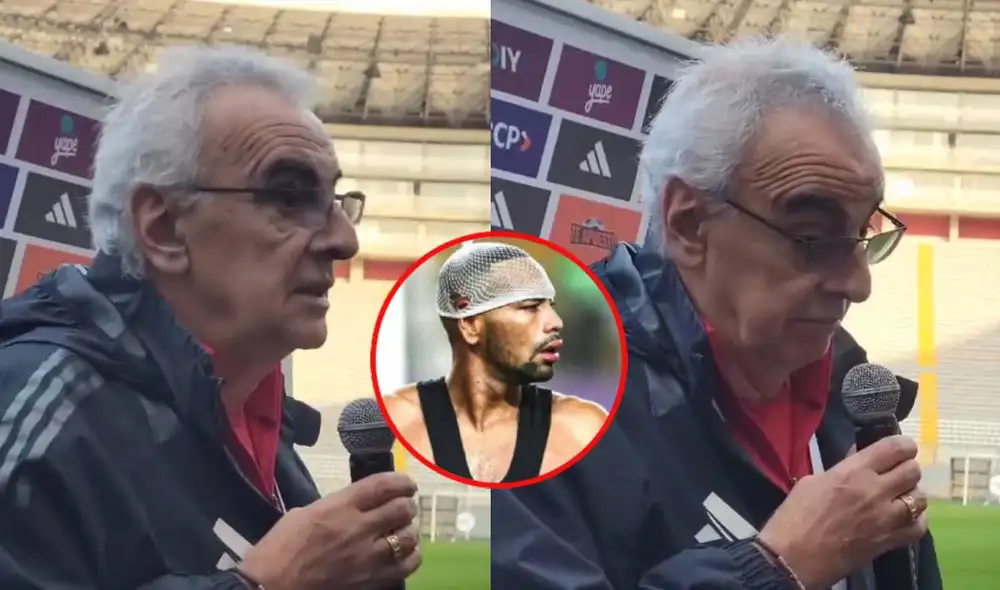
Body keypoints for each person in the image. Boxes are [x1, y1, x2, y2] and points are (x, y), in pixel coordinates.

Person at [491, 37, 944, 589]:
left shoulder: (853, 396)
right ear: (689, 225)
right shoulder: (531, 408)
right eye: (810, 236)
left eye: (860, 235)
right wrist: (778, 568)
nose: (859, 283)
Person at [0, 45, 421, 590]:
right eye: (290, 196)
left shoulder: (259, 423)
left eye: (339, 200)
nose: (344, 240)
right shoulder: (36, 416)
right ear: (164, 230)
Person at [382, 241, 608, 484]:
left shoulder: (582, 429)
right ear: (470, 325)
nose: (556, 322)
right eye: (530, 307)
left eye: (549, 306)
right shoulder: (394, 421)